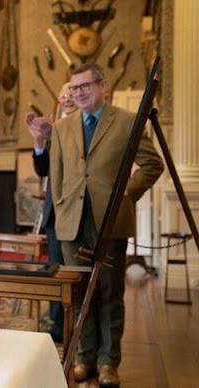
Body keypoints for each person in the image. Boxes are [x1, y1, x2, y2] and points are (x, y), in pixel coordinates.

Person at [50, 63, 163, 386]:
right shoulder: (62, 127)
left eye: (85, 86)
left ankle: (108, 363)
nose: (79, 93)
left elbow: (152, 164)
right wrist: (61, 208)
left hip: (110, 221)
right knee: (81, 292)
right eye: (74, 88)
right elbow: (57, 177)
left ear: (103, 87)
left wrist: (130, 191)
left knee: (110, 293)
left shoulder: (127, 122)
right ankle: (85, 358)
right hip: (73, 223)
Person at [24, 82, 77, 343]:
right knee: (55, 269)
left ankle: (77, 322)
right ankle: (57, 324)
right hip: (55, 213)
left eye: (72, 92)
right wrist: (38, 142)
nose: (67, 96)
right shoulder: (51, 126)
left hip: (80, 211)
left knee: (75, 271)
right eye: (63, 93)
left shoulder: (84, 128)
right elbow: (43, 169)